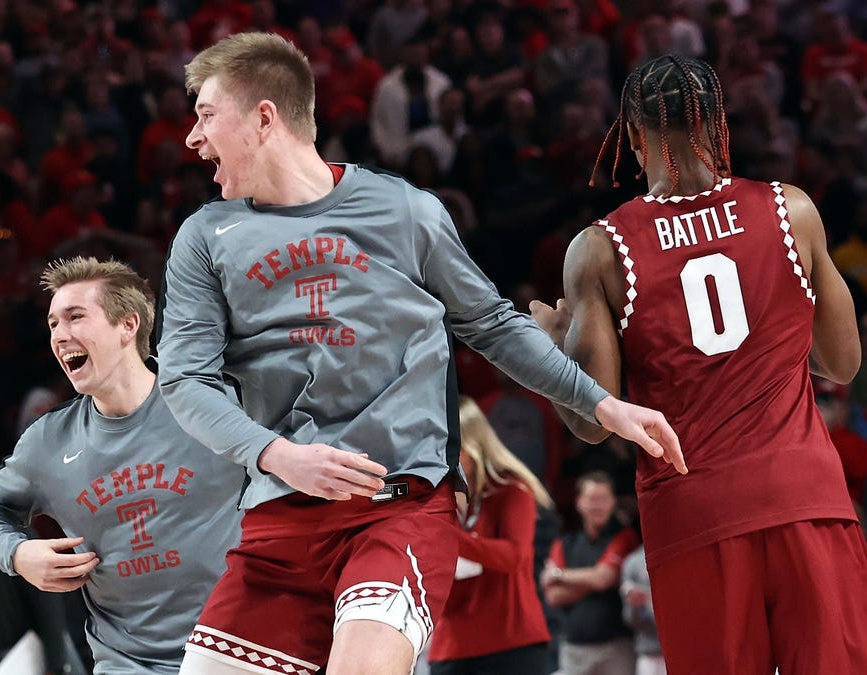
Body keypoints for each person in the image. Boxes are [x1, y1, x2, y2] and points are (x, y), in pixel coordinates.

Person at [156, 32, 685, 675]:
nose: (193, 138)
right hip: (277, 519)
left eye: (206, 115)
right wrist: (279, 455)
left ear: (264, 117)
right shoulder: (205, 236)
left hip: (397, 508)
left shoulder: (406, 211)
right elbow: (185, 381)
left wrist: (604, 405)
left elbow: (491, 324)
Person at [530, 53, 867, 673]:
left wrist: (557, 343)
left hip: (693, 514)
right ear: (717, 123)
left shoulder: (600, 250)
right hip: (803, 494)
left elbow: (593, 424)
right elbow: (842, 362)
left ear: (631, 134)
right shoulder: (791, 210)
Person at [0, 257, 244, 673]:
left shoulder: (214, 402)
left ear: (128, 325)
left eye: (75, 317)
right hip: (128, 663)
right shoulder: (48, 441)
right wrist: (18, 553)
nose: (60, 335)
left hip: (234, 650)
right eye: (53, 324)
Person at [428, 396, 552, 675]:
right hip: (451, 648)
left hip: (512, 644)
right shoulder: (435, 498)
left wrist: (450, 536)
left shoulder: (511, 489)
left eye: (446, 448)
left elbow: (515, 557)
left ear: (471, 444)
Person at [540, 472, 637, 674]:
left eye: (604, 499)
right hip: (574, 648)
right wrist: (593, 580)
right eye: (593, 499)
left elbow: (604, 578)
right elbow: (553, 596)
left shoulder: (624, 537)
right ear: (579, 503)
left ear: (613, 502)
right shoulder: (565, 543)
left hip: (616, 648)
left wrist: (559, 575)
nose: (598, 506)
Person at [621, 545, 665, 675]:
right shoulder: (633, 562)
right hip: (649, 653)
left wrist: (650, 600)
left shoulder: (679, 554)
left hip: (681, 650)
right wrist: (638, 605)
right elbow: (630, 620)